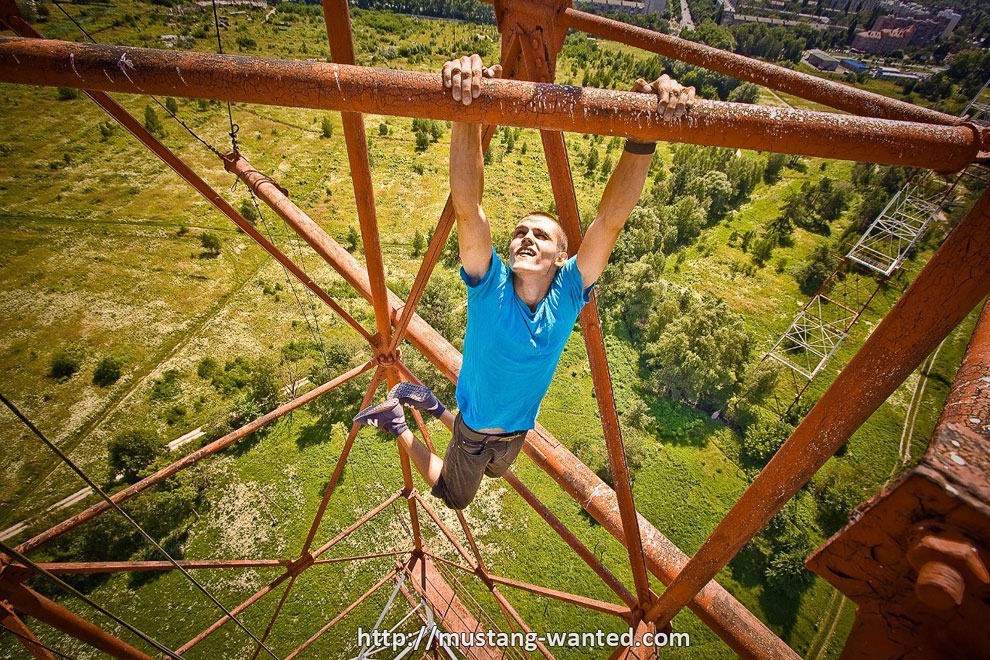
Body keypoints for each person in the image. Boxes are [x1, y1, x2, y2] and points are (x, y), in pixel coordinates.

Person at [354, 54, 694, 510]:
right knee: (454, 495)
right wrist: (466, 106)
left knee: (495, 470)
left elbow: (609, 222)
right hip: (475, 433)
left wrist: (644, 135)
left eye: (541, 235)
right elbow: (468, 207)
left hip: (516, 433)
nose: (526, 237)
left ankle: (433, 407)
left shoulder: (569, 292)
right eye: (520, 232)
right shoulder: (489, 286)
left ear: (561, 256)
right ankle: (398, 422)